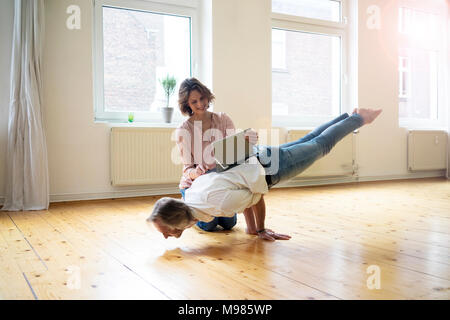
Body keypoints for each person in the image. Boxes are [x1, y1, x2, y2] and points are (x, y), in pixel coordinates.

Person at [149, 108, 382, 241]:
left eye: (167, 232)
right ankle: (349, 116)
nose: (167, 237)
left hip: (270, 168)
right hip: (261, 157)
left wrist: (258, 229)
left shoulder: (216, 204)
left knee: (321, 146)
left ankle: (360, 118)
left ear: (178, 223)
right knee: (308, 141)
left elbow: (256, 195)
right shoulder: (192, 194)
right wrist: (254, 228)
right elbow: (248, 193)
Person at [175, 78, 258, 232]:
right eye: (194, 102)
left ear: (207, 95)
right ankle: (187, 202)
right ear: (187, 104)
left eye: (202, 98)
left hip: (220, 180)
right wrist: (197, 172)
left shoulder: (223, 120)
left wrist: (248, 139)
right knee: (209, 225)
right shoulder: (183, 130)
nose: (200, 104)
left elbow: (235, 153)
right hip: (195, 184)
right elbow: (187, 171)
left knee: (228, 224)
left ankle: (204, 209)